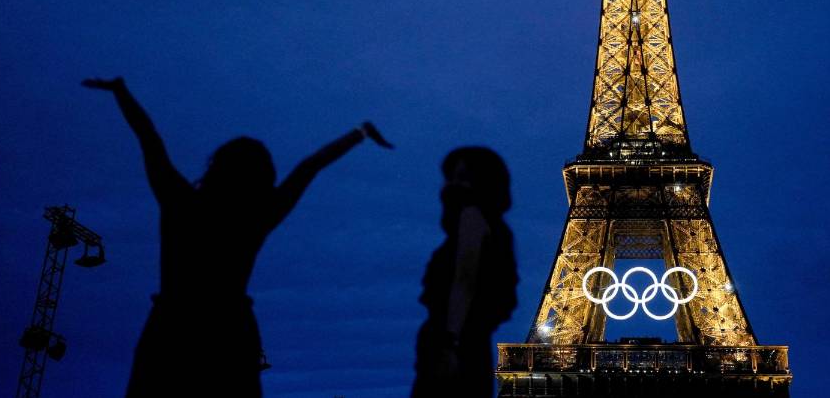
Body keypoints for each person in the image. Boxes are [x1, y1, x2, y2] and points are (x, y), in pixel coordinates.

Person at [82, 76, 392, 398]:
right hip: (231, 331)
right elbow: (310, 167)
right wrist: (360, 133)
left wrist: (121, 92)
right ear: (264, 176)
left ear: (216, 167)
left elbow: (149, 139)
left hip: (172, 327)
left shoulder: (180, 201)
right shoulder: (259, 215)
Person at [412, 147, 518, 398]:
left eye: (462, 177)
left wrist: (450, 342)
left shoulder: (472, 216)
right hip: (471, 343)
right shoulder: (496, 228)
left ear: (482, 182)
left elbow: (464, 280)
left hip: (453, 342)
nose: (451, 185)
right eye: (450, 177)